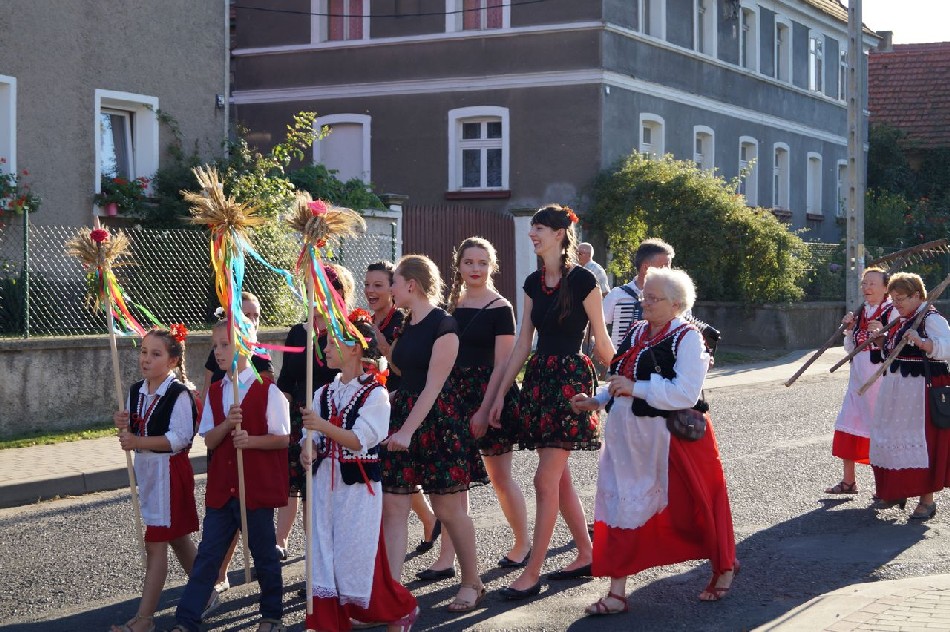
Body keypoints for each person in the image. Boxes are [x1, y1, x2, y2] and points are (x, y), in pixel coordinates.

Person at [571, 267, 738, 614]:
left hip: (672, 443)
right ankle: (617, 593)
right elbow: (620, 376)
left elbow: (686, 392)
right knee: (619, 507)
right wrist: (597, 400)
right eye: (644, 295)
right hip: (628, 440)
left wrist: (637, 388)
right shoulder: (636, 331)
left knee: (698, 507)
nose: (644, 302)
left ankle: (723, 566)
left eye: (653, 298)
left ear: (676, 305)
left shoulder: (688, 338)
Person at [488, 204, 615, 600]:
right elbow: (523, 343)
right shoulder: (532, 282)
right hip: (540, 380)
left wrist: (628, 377)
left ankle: (533, 572)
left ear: (559, 234)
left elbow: (602, 341)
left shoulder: (584, 281)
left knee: (545, 479)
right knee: (558, 478)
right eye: (532, 228)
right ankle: (586, 554)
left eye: (539, 228)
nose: (532, 234)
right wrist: (500, 394)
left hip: (570, 383)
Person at [380, 254, 488, 612]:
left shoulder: (445, 325)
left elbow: (434, 385)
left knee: (448, 508)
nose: (391, 289)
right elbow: (408, 376)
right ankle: (391, 598)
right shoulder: (407, 323)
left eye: (394, 282)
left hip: (438, 422)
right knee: (393, 508)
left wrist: (407, 431)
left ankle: (472, 582)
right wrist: (384, 400)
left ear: (411, 285)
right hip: (405, 416)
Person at [300, 310, 419, 632]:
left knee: (354, 558)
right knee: (322, 556)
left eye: (331, 343)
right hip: (324, 485)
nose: (324, 349)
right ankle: (326, 624)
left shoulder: (375, 394)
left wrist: (320, 426)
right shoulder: (323, 392)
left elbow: (359, 440)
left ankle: (399, 609)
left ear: (354, 348)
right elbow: (311, 438)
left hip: (356, 490)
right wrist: (308, 448)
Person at [170, 320, 290, 632]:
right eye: (216, 345)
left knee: (264, 554)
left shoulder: (268, 390)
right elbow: (209, 439)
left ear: (246, 346)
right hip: (223, 489)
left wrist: (251, 440)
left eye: (225, 345)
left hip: (254, 488)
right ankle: (187, 618)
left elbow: (282, 438)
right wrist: (226, 424)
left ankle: (272, 615)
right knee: (208, 555)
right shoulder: (216, 390)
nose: (218, 352)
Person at [424, 237, 529, 576]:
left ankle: (522, 544)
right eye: (469, 262)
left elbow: (503, 364)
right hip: (452, 396)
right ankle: (446, 559)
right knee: (453, 482)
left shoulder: (501, 307)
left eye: (482, 263)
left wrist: (484, 410)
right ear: (458, 266)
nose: (475, 269)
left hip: (490, 396)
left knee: (500, 478)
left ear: (492, 267)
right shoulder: (448, 306)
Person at [109, 327, 199, 632]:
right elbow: (134, 429)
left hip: (169, 473)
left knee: (155, 543)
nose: (146, 359)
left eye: (155, 354)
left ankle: (145, 619)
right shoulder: (136, 390)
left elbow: (180, 438)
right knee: (176, 537)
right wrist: (122, 425)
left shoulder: (179, 394)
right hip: (148, 473)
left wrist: (138, 441)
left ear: (172, 361)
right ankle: (206, 587)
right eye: (144, 352)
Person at [275, 264, 355, 560]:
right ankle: (285, 545)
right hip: (299, 416)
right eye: (311, 290)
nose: (315, 297)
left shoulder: (345, 333)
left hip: (329, 417)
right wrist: (280, 418)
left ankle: (319, 553)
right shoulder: (298, 332)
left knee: (318, 488)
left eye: (322, 291)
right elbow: (285, 380)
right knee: (296, 484)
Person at [199, 292, 273, 595]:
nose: (252, 320)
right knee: (223, 509)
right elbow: (209, 387)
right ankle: (220, 570)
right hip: (222, 440)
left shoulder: (261, 356)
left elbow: (265, 394)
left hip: (251, 451)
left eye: (256, 315)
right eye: (246, 315)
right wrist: (214, 419)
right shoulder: (219, 353)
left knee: (254, 523)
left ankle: (269, 593)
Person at [364, 261, 441, 553]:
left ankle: (430, 520)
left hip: (399, 398)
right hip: (375, 399)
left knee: (400, 470)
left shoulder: (403, 319)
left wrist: (383, 345)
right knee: (395, 471)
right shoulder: (365, 319)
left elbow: (404, 367)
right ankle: (429, 520)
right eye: (367, 285)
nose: (371, 291)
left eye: (379, 285)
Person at [866, 272, 950, 520]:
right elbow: (893, 353)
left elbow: (947, 348)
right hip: (897, 391)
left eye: (901, 298)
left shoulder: (931, 319)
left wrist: (923, 342)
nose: (896, 304)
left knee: (922, 441)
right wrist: (881, 341)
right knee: (890, 436)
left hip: (921, 392)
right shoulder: (902, 319)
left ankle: (927, 501)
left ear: (917, 296)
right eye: (893, 299)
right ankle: (896, 491)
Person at [825, 267, 895, 496]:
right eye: (864, 283)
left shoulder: (893, 311)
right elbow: (851, 349)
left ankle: (885, 486)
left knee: (879, 432)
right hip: (857, 380)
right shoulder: (861, 311)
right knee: (848, 423)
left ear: (886, 288)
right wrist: (849, 329)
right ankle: (848, 482)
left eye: (872, 283)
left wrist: (883, 336)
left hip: (880, 381)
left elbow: (898, 349)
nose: (866, 287)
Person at [602, 239, 675, 350]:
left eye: (669, 266)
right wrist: (608, 353)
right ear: (645, 268)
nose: (668, 271)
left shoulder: (675, 298)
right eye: (663, 266)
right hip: (624, 359)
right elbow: (596, 329)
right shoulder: (618, 295)